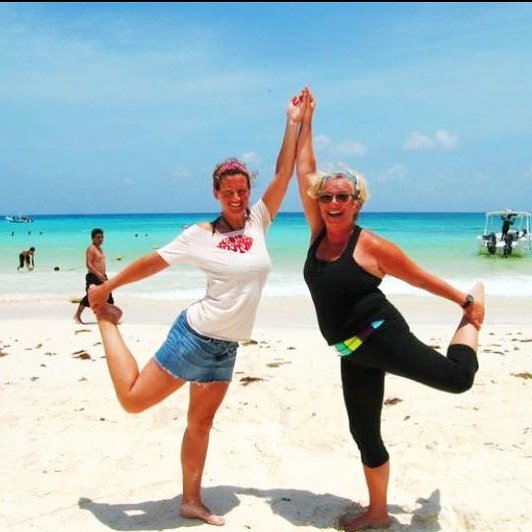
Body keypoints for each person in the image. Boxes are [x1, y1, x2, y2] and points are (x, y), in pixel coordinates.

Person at [87, 89, 307, 527]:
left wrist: (293, 120)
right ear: (216, 192)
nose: (238, 199)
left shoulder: (260, 220)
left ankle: (191, 500)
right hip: (194, 337)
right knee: (132, 401)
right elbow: (154, 261)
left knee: (201, 425)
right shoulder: (199, 234)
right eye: (229, 192)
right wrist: (107, 287)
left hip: (226, 348)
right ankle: (106, 324)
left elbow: (284, 171)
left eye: (243, 191)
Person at [295, 89, 485, 531]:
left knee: (458, 380)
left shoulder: (370, 245)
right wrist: (305, 121)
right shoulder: (317, 235)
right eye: (327, 198)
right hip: (350, 351)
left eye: (343, 197)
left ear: (358, 202)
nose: (334, 204)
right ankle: (378, 512)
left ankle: (470, 325)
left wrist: (465, 303)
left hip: (382, 335)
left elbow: (417, 276)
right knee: (364, 433)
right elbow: (306, 171)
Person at [73, 228, 114, 324]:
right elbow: (88, 264)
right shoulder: (91, 248)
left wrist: (102, 275)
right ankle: (77, 316)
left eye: (102, 237)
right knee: (90, 297)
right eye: (98, 237)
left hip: (102, 276)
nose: (100, 239)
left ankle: (109, 317)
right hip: (93, 276)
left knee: (108, 295)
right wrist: (98, 274)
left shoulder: (100, 249)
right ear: (93, 238)